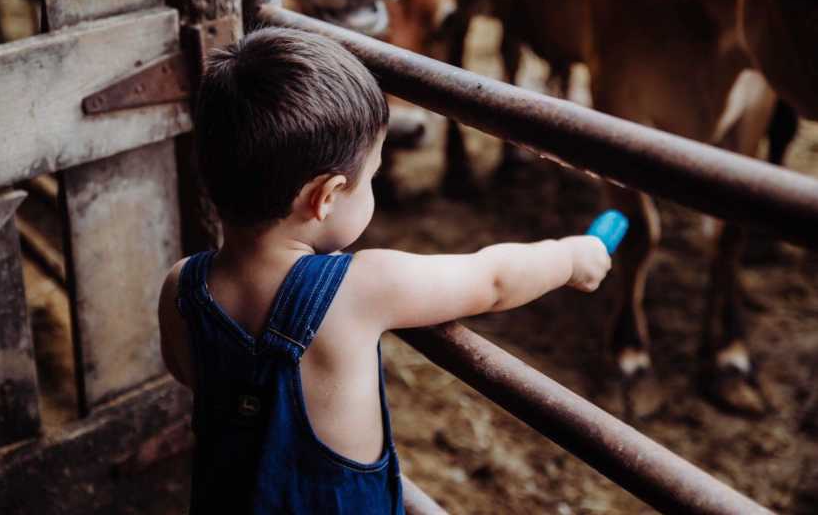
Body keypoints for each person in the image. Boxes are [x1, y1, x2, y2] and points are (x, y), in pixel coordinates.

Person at [157, 27, 612, 514]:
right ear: (325, 198)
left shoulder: (181, 286)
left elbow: (194, 378)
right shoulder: (359, 289)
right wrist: (569, 257)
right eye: (371, 177)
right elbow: (493, 280)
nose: (372, 186)